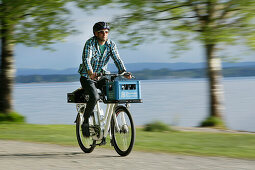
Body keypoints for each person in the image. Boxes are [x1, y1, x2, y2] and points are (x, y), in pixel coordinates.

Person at [78, 21, 131, 137]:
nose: (104, 34)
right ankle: (85, 122)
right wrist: (90, 72)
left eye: (106, 32)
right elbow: (86, 59)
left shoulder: (111, 44)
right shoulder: (90, 44)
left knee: (113, 93)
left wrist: (124, 71)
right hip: (87, 77)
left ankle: (110, 122)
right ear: (96, 34)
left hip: (102, 76)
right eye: (101, 32)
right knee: (95, 96)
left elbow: (117, 59)